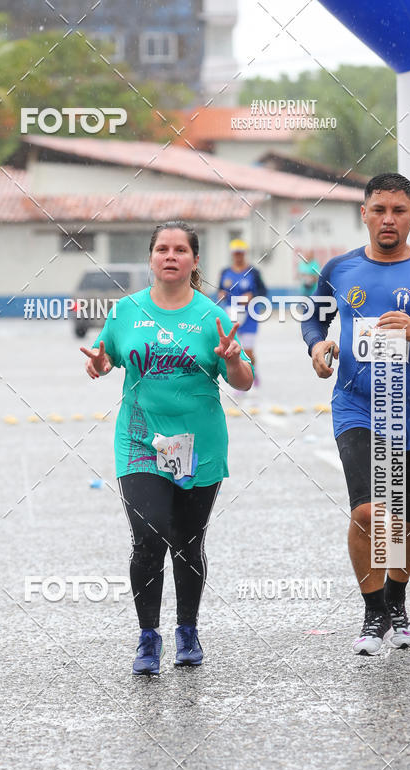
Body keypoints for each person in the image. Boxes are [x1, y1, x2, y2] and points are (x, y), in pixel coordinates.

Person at [301, 172, 410, 656]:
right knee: (367, 512)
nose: (388, 219)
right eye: (379, 209)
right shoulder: (338, 269)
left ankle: (397, 599)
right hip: (356, 406)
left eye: (398, 211)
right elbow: (313, 317)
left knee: (406, 520)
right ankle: (372, 609)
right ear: (364, 213)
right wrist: (318, 347)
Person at [81, 221, 254, 675]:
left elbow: (244, 382)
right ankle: (147, 636)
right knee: (148, 536)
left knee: (187, 541)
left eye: (181, 249)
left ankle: (188, 628)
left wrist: (234, 360)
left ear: (195, 260)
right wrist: (99, 366)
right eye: (162, 249)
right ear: (151, 258)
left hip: (200, 443)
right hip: (140, 440)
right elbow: (104, 359)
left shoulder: (212, 315)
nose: (170, 256)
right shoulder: (125, 311)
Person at [217, 239, 267, 385]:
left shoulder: (253, 272)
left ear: (244, 254)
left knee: (249, 350)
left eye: (240, 253)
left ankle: (253, 372)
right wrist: (221, 294)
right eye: (235, 253)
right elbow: (220, 290)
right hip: (231, 314)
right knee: (234, 349)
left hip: (250, 315)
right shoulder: (225, 272)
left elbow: (263, 290)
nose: (238, 256)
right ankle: (238, 378)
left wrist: (252, 296)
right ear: (232, 254)